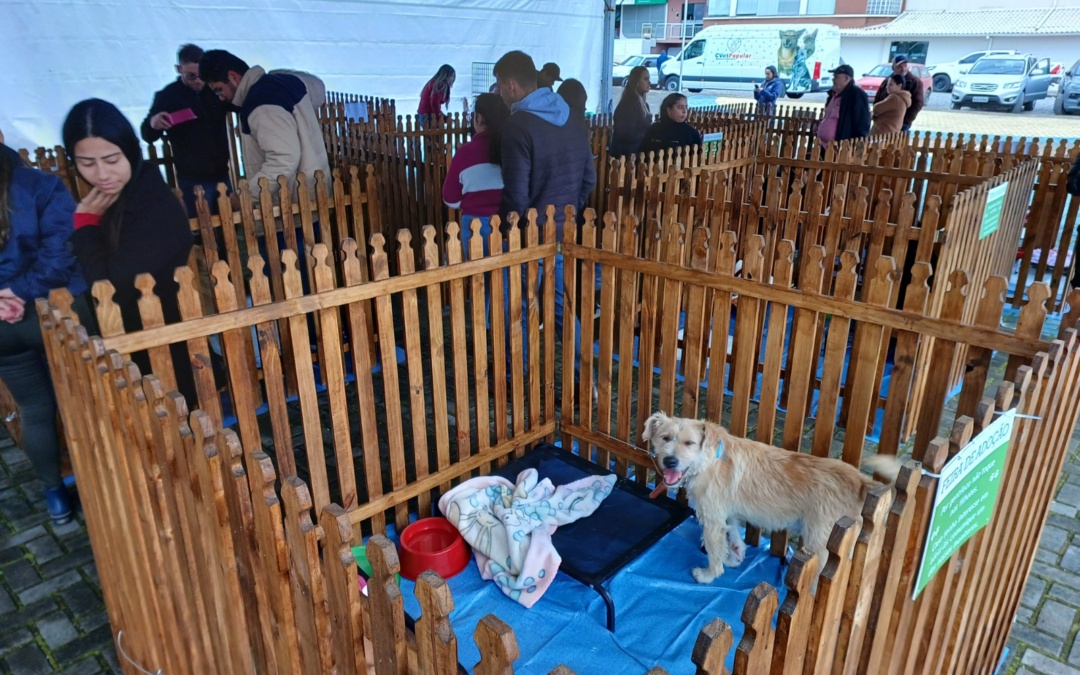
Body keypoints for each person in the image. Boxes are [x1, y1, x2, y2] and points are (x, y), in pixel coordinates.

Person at [62, 99, 197, 405]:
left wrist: (85, 228)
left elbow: (111, 287)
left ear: (131, 150)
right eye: (87, 163)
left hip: (159, 341)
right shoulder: (119, 196)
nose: (101, 174)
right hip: (134, 340)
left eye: (111, 159)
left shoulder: (152, 206)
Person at [0, 136, 90, 524]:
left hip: (2, 328)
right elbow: (62, 253)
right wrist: (19, 291)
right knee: (85, 399)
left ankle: (56, 499)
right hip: (55, 309)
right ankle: (97, 483)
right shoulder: (39, 185)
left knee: (34, 409)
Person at [494, 50, 595, 355]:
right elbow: (589, 178)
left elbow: (516, 195)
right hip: (564, 231)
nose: (499, 94)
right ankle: (582, 373)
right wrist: (568, 213)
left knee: (520, 308)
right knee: (562, 304)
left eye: (499, 87)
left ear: (511, 85)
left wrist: (507, 231)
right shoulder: (573, 118)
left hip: (530, 236)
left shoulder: (518, 125)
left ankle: (519, 374)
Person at [198, 50, 331, 202]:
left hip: (292, 202)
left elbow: (283, 159)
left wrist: (246, 196)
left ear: (233, 77)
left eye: (219, 90)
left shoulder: (261, 105)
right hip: (314, 190)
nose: (221, 98)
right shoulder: (284, 82)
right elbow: (317, 87)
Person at [140, 44, 232, 216]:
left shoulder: (215, 89)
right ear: (179, 69)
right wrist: (153, 123)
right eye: (191, 76)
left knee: (230, 224)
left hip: (222, 174)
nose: (197, 80)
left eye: (201, 75)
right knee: (199, 226)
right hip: (191, 179)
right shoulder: (167, 96)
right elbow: (148, 135)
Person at [443, 93, 510, 258]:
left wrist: (472, 199)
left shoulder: (465, 153)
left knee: (480, 274)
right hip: (510, 223)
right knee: (509, 273)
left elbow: (450, 198)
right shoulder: (513, 148)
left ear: (478, 118)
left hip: (474, 226)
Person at [817, 65, 870, 150]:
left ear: (846, 78)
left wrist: (854, 147)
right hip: (823, 146)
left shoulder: (856, 95)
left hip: (840, 148)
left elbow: (862, 124)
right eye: (833, 76)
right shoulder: (833, 94)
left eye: (836, 77)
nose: (833, 79)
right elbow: (828, 117)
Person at [609, 65, 652, 158]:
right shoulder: (628, 106)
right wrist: (649, 132)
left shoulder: (644, 105)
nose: (649, 82)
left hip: (637, 154)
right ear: (637, 82)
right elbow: (626, 134)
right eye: (645, 79)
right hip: (625, 155)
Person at [873, 54, 924, 132]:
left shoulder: (915, 82)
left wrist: (906, 121)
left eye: (905, 66)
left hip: (900, 124)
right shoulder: (888, 80)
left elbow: (918, 103)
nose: (903, 69)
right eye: (899, 66)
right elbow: (878, 97)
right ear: (893, 67)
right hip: (881, 123)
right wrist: (875, 115)